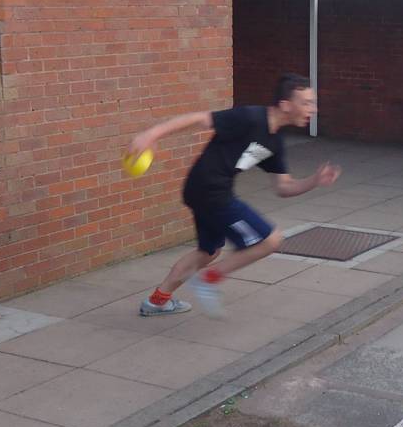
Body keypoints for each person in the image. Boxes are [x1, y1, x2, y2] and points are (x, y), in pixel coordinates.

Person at [133, 74, 340, 320]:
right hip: (211, 191)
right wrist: (151, 135)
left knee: (208, 252)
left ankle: (157, 301)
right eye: (306, 103)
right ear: (285, 105)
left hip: (203, 190)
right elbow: (200, 119)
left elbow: (283, 187)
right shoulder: (249, 117)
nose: (313, 109)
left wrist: (314, 181)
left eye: (313, 103)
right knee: (269, 241)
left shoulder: (274, 142)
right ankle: (209, 279)